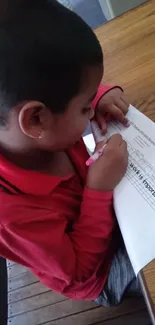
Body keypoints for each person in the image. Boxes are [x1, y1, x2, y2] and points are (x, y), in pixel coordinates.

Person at [0, 0, 140, 306]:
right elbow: (78, 271)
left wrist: (102, 95)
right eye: (85, 105)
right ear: (36, 119)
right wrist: (98, 190)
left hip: (118, 215)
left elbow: (62, 82)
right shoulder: (9, 216)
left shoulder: (34, 123)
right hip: (100, 272)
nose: (90, 112)